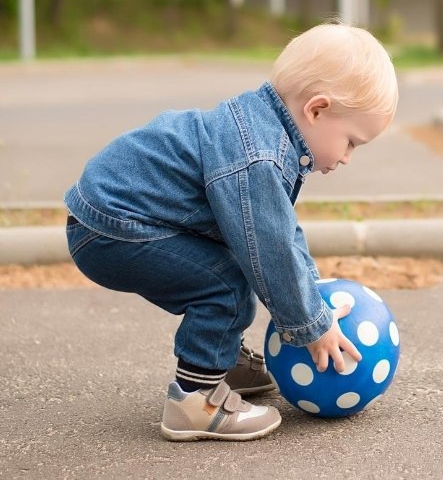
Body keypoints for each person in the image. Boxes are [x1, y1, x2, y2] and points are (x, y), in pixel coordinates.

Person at [63, 22, 398, 441]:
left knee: (236, 263)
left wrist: (312, 293)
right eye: (352, 141)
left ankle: (220, 359)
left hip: (112, 217)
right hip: (114, 227)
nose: (348, 157)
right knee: (225, 287)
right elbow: (271, 252)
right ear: (316, 110)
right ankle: (195, 400)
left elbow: (282, 232)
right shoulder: (259, 158)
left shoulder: (262, 130)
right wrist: (314, 326)